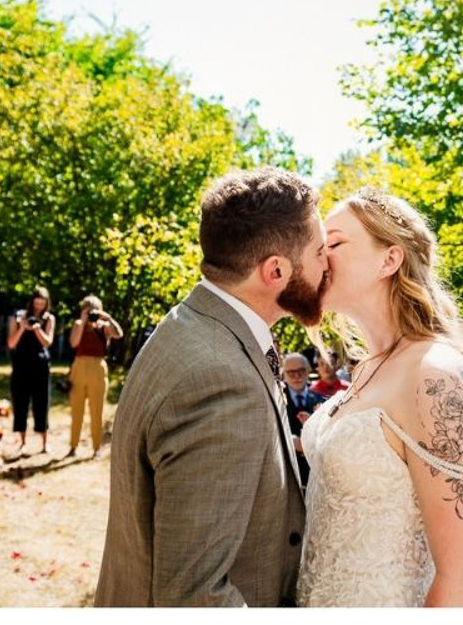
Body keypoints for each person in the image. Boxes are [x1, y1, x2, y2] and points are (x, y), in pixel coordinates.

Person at [95, 166, 328, 607]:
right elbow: (194, 594)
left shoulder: (192, 324)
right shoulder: (220, 381)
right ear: (275, 270)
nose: (327, 264)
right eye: (319, 252)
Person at [297, 188, 463, 607]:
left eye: (334, 243)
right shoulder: (367, 368)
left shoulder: (434, 373)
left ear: (389, 259)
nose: (319, 255)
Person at [66, 295, 123, 457]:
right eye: (88, 310)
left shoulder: (104, 327)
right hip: (79, 367)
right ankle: (73, 446)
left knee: (97, 410)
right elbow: (74, 343)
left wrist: (108, 318)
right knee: (77, 409)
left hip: (98, 368)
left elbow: (119, 334)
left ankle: (96, 448)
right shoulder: (79, 324)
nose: (91, 313)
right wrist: (83, 321)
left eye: (94, 310)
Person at [7, 285, 57, 456]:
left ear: (46, 304)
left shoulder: (49, 318)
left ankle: (44, 442)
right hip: (21, 365)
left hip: (40, 366)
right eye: (36, 303)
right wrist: (22, 327)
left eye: (42, 303)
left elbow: (47, 342)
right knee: (20, 403)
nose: (38, 307)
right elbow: (11, 343)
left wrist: (36, 329)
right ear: (31, 302)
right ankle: (22, 442)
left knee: (42, 403)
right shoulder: (19, 316)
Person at [280, 352, 324, 483]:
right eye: (291, 372)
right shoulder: (276, 398)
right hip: (289, 473)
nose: (297, 376)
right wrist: (289, 441)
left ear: (308, 370)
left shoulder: (320, 396)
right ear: (284, 374)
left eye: (301, 371)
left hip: (316, 471)